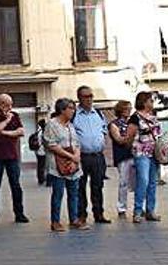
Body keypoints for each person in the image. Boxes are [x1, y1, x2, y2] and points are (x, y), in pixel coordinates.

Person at [44, 99, 88, 232]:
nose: (73, 111)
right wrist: (71, 156)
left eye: (74, 108)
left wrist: (76, 158)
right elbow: (51, 144)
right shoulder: (52, 124)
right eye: (70, 108)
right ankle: (55, 221)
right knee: (58, 193)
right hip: (58, 164)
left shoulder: (70, 126)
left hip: (73, 164)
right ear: (62, 110)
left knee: (74, 193)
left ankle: (73, 219)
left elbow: (77, 143)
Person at [0, 94, 29, 224]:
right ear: (0, 104)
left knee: (16, 185)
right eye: (8, 105)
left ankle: (19, 213)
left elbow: (21, 132)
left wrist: (3, 132)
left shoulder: (15, 115)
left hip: (12, 156)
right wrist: (7, 121)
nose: (10, 107)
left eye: (11, 104)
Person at [124, 92, 167, 223]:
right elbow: (129, 136)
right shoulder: (135, 118)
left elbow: (158, 134)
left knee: (153, 182)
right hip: (141, 153)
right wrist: (130, 148)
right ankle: (137, 211)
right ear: (143, 102)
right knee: (143, 181)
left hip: (154, 153)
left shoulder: (153, 117)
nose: (152, 103)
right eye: (150, 100)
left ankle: (150, 210)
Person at [72, 85, 112, 224]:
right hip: (81, 156)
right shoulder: (74, 115)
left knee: (98, 186)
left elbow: (104, 131)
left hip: (97, 156)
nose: (89, 99)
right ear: (79, 98)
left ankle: (99, 214)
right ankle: (81, 215)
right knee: (80, 186)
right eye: (86, 96)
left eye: (91, 96)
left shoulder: (99, 114)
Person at [108, 100, 135, 219]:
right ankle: (121, 208)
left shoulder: (132, 122)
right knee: (124, 182)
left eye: (130, 108)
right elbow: (118, 139)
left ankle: (140, 207)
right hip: (122, 155)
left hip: (135, 154)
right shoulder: (114, 124)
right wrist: (131, 137)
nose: (129, 110)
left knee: (138, 182)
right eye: (126, 108)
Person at [33, 119, 48, 186]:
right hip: (44, 151)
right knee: (44, 166)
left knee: (40, 166)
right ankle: (44, 179)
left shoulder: (38, 131)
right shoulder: (44, 132)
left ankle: (40, 179)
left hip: (38, 151)